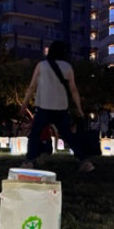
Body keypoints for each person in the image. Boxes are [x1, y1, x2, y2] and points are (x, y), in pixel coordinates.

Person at [19, 40, 93, 172]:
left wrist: (24, 104)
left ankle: (29, 161)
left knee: (34, 134)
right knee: (68, 136)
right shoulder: (68, 67)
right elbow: (73, 89)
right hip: (61, 107)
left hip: (44, 106)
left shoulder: (41, 65)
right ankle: (85, 162)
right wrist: (80, 109)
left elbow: (31, 87)